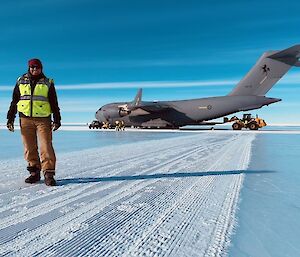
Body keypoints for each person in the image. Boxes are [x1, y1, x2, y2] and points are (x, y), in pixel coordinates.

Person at [6, 58, 61, 186]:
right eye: (32, 67)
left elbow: (54, 102)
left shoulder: (48, 82)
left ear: (41, 68)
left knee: (45, 146)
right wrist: (10, 118)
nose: (35, 69)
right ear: (29, 68)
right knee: (29, 147)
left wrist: (57, 119)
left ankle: (48, 173)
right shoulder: (21, 81)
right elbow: (14, 101)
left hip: (43, 119)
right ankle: (34, 172)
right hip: (25, 119)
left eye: (37, 67)